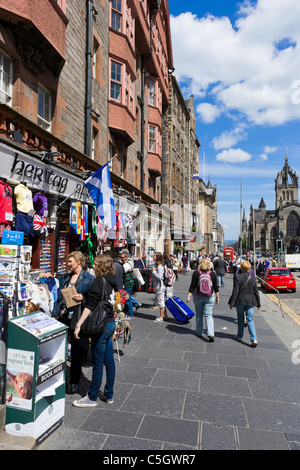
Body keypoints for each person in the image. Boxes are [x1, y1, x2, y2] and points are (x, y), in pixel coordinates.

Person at [72, 254, 118, 407]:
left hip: (101, 325)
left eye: (96, 264)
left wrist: (79, 324)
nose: (94, 267)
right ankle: (109, 394)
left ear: (101, 266)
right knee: (109, 361)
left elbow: (91, 306)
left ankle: (91, 398)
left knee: (98, 362)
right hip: (110, 323)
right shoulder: (112, 279)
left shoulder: (98, 281)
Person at [52, 251, 94, 394]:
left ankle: (74, 381)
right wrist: (53, 314)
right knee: (59, 350)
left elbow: (93, 300)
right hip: (64, 317)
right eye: (68, 261)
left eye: (71, 261)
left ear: (79, 262)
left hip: (78, 319)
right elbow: (59, 298)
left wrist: (83, 297)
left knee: (76, 353)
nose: (68, 264)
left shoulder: (89, 278)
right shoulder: (66, 277)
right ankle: (59, 379)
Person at [229, 260, 260, 348]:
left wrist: (232, 303)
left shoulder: (237, 277)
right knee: (250, 320)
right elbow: (256, 292)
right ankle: (254, 339)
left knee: (240, 319)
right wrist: (259, 304)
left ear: (241, 268)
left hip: (240, 301)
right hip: (251, 301)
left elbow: (235, 292)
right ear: (249, 268)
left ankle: (239, 336)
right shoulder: (253, 279)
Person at [186, 257, 219, 342]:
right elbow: (216, 287)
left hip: (198, 296)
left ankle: (199, 332)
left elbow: (192, 286)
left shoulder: (196, 273)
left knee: (199, 314)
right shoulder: (212, 274)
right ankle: (210, 334)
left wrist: (189, 296)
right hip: (210, 296)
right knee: (208, 315)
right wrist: (217, 298)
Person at [118, 248, 141, 316]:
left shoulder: (127, 264)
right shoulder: (129, 261)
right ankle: (134, 306)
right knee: (128, 296)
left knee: (127, 298)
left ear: (126, 257)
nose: (120, 258)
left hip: (128, 283)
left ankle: (130, 313)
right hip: (128, 282)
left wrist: (120, 264)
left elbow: (122, 271)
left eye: (121, 257)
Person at [152, 252, 169, 323]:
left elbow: (160, 277)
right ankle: (165, 316)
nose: (153, 256)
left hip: (160, 287)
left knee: (161, 302)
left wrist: (154, 272)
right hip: (159, 286)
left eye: (155, 256)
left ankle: (161, 317)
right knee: (162, 301)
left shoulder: (160, 267)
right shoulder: (158, 266)